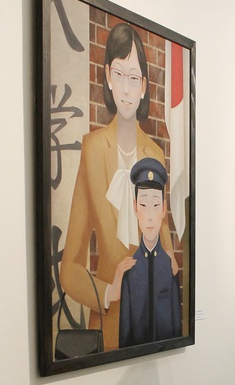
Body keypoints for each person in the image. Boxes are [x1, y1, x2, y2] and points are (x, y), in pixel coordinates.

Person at [60, 23, 176, 351]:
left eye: (134, 78)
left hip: (154, 324)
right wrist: (108, 292)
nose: (126, 89)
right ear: (108, 77)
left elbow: (167, 252)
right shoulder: (93, 150)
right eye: (119, 75)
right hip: (110, 324)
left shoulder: (155, 154)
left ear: (144, 87)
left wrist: (167, 266)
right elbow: (69, 268)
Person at [119, 158, 181, 347]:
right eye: (143, 205)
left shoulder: (169, 266)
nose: (150, 217)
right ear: (135, 207)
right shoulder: (130, 270)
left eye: (155, 205)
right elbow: (125, 333)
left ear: (163, 209)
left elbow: (176, 325)